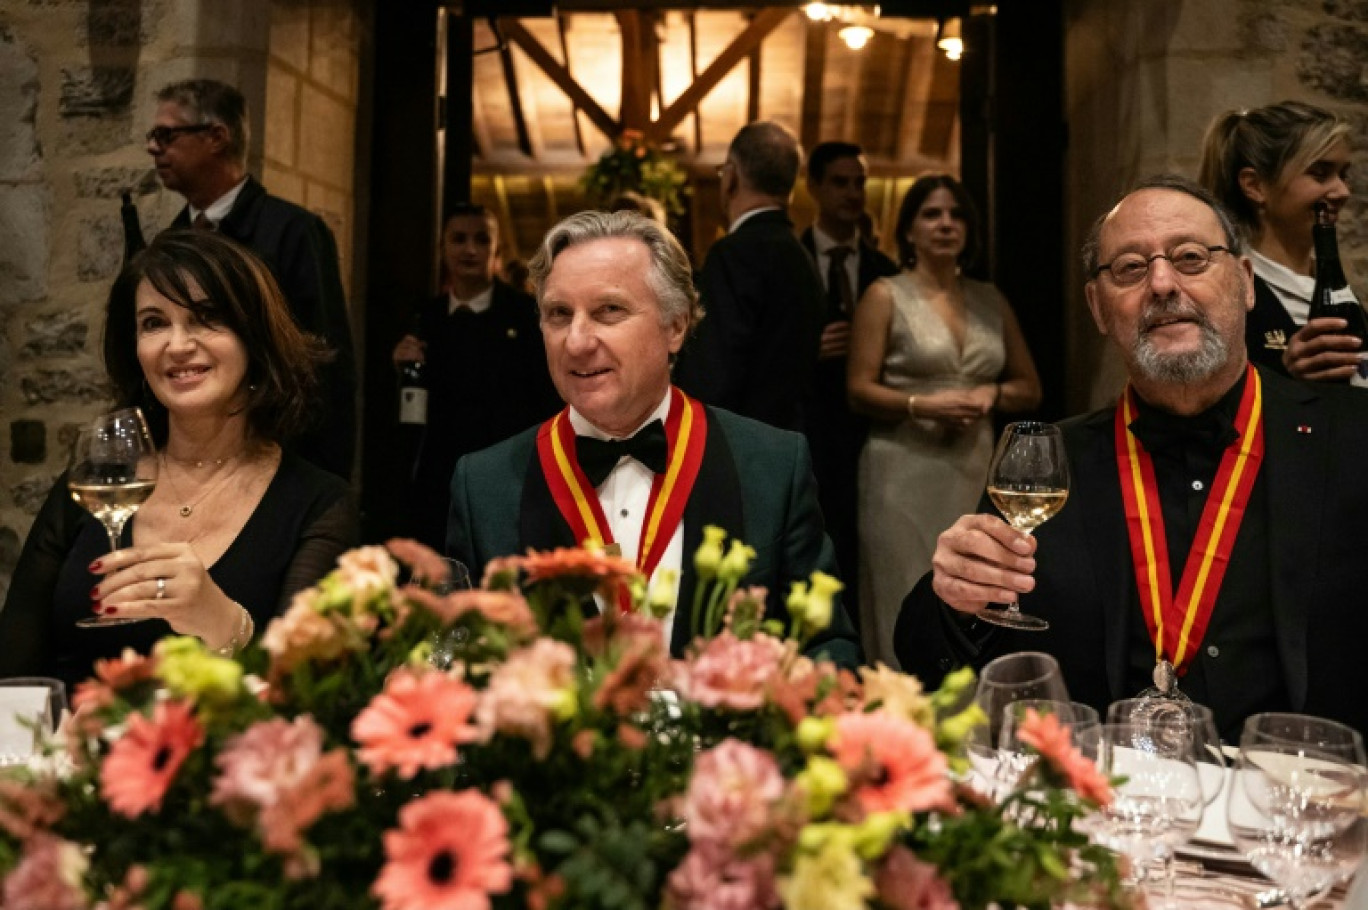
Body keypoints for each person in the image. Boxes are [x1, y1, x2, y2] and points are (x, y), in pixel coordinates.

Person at [896, 174, 1368, 739]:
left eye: (1191, 257)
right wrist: (954, 597)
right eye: (1130, 268)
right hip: (1104, 807)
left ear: (1245, 283)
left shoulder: (1353, 437)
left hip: (1298, 804)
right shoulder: (1046, 465)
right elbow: (929, 661)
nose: (1163, 283)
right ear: (1098, 307)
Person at [447, 210, 860, 666]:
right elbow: (463, 660)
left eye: (609, 311)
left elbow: (828, 650)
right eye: (559, 315)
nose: (577, 341)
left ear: (676, 326)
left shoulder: (772, 466)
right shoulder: (482, 484)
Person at [0, 231, 357, 691]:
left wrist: (224, 622)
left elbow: (311, 699)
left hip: (218, 760)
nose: (177, 344)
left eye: (206, 318)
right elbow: (12, 676)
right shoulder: (88, 489)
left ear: (254, 337)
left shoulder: (319, 505)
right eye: (154, 323)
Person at [848, 175, 1041, 669]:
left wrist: (989, 392)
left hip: (974, 464)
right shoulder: (884, 294)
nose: (945, 224)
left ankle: (972, 720)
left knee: (978, 592)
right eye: (931, 214)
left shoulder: (989, 298)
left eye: (955, 215)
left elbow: (1030, 388)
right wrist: (922, 405)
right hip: (902, 470)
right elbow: (857, 389)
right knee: (902, 591)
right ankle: (897, 719)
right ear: (909, 229)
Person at [148, 78, 358, 479]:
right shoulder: (169, 242)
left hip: (275, 461)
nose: (153, 147)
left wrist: (325, 484)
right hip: (187, 465)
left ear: (216, 137)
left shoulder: (292, 231)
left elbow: (326, 363)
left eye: (166, 134)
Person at [390, 205, 560, 550]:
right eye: (458, 239)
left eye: (481, 240)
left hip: (507, 474)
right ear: (443, 249)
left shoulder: (525, 316)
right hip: (438, 478)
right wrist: (399, 368)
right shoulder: (425, 316)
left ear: (496, 250)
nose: (469, 250)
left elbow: (545, 398)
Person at [798, 141, 900, 634]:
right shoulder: (790, 260)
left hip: (875, 432)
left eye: (859, 182)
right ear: (813, 187)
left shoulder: (886, 272)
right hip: (809, 427)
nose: (853, 193)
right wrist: (806, 349)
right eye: (840, 182)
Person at [1199, 100, 1366, 386]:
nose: (1342, 191)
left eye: (1343, 174)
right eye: (1320, 173)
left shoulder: (1335, 289)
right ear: (1255, 186)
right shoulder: (1230, 296)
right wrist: (1284, 375)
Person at [674, 122, 826, 433]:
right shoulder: (802, 256)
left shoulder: (734, 254)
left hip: (736, 444)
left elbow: (712, 371)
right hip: (786, 439)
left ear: (730, 176)